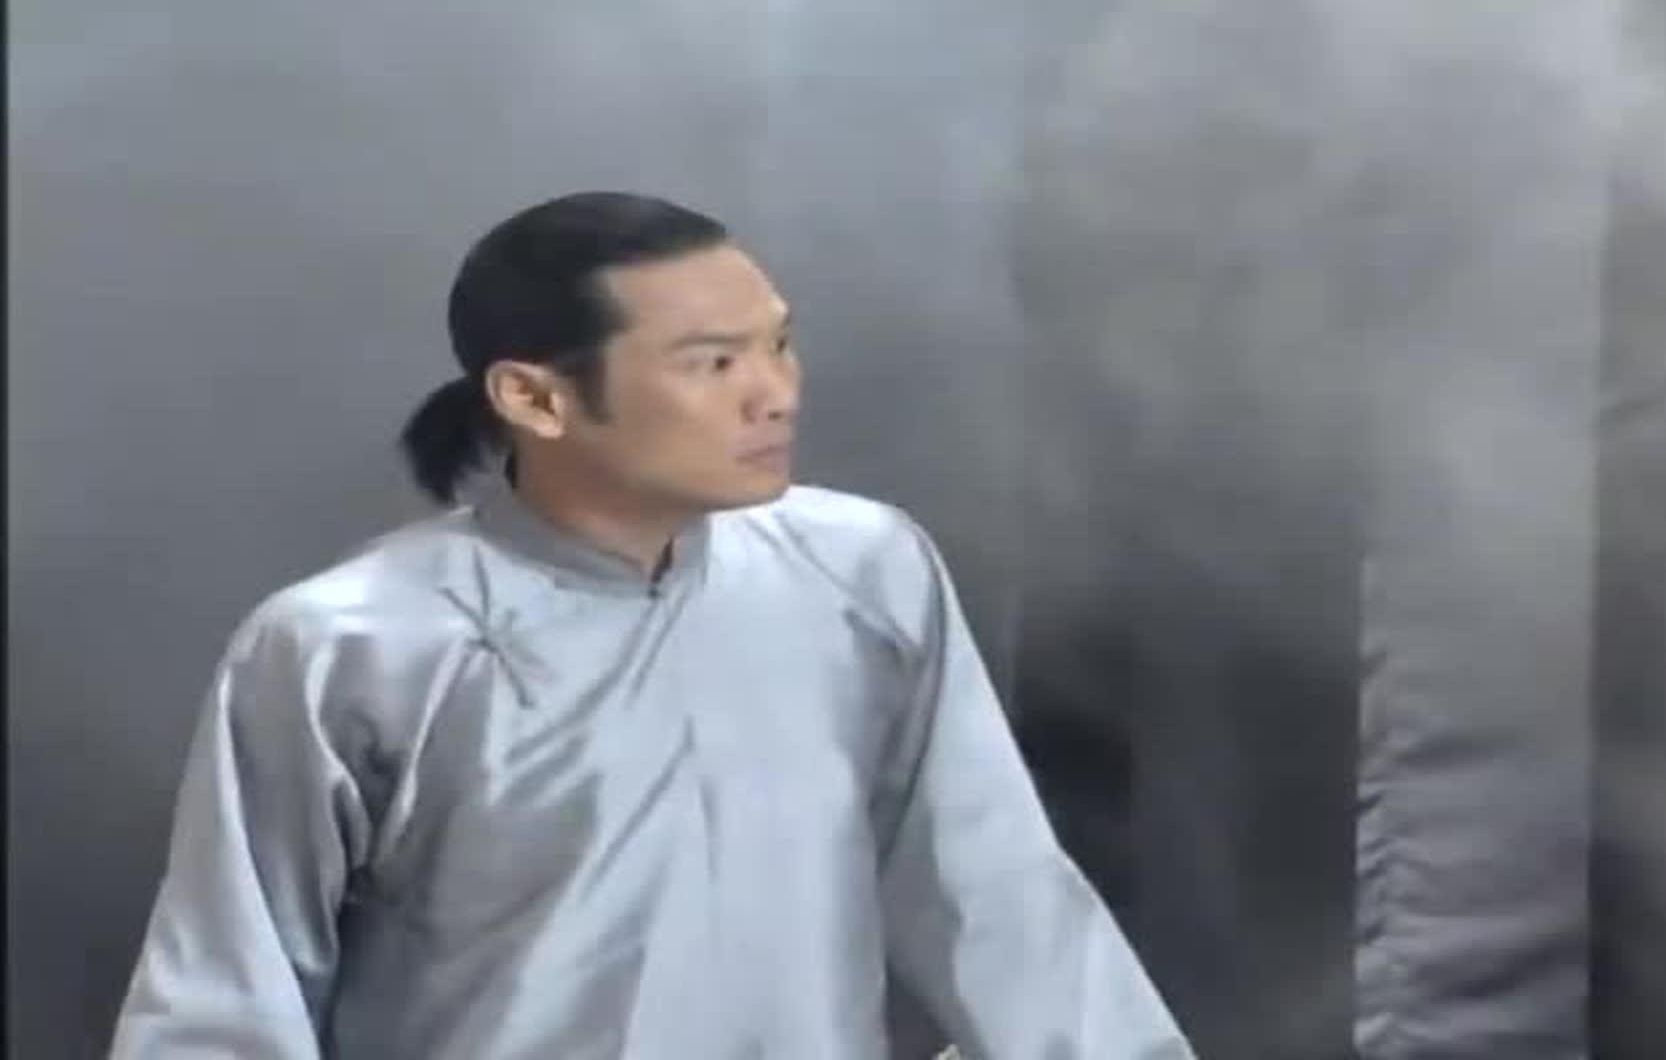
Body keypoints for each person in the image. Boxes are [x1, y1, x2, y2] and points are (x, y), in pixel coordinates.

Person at [109, 191, 1192, 1058]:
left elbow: (995, 897)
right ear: (536, 398)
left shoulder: (862, 571)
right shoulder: (349, 647)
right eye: (713, 363)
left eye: (780, 344)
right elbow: (226, 1000)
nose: (775, 394)